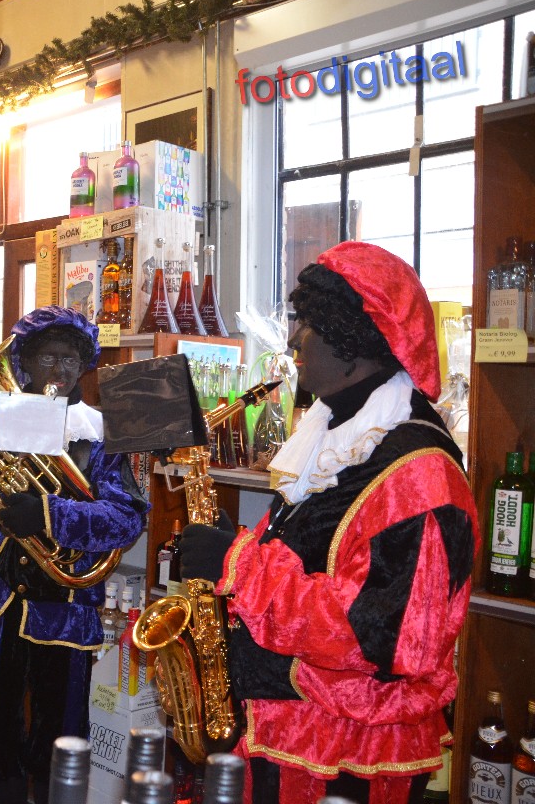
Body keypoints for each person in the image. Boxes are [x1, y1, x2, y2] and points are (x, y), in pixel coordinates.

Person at [178, 241, 478, 804]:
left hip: (350, 756)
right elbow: (311, 554)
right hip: (293, 731)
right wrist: (235, 542)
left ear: (354, 337)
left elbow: (387, 637)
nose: (293, 339)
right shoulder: (334, 433)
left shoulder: (421, 473)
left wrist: (238, 565)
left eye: (309, 323)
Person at [0, 306, 147, 804]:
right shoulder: (0, 422)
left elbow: (126, 520)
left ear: (84, 366)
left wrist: (47, 514)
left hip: (66, 605)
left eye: (69, 359)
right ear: (25, 363)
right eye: (47, 358)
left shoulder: (101, 434)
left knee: (61, 737)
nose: (58, 370)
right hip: (0, 601)